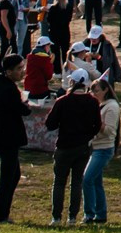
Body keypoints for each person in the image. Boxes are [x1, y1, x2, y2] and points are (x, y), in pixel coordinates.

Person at [44, 69, 102, 224]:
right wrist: (88, 136)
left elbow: (50, 124)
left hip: (64, 146)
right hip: (83, 147)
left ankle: (56, 217)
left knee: (59, 182)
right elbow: (97, 125)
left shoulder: (62, 101)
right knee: (77, 182)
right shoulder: (92, 102)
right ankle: (72, 217)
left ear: (72, 83)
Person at [0, 54, 27, 222]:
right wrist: (25, 105)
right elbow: (22, 110)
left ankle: (2, 213)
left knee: (14, 175)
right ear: (9, 71)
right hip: (8, 139)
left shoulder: (3, 86)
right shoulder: (9, 90)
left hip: (4, 138)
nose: (22, 71)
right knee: (7, 179)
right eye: (19, 69)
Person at [83, 84, 120, 224]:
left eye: (96, 90)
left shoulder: (112, 107)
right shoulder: (100, 104)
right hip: (96, 147)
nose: (93, 93)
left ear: (105, 90)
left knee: (87, 180)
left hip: (104, 148)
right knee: (96, 182)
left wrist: (94, 120)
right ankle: (101, 215)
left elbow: (110, 131)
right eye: (91, 90)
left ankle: (89, 214)